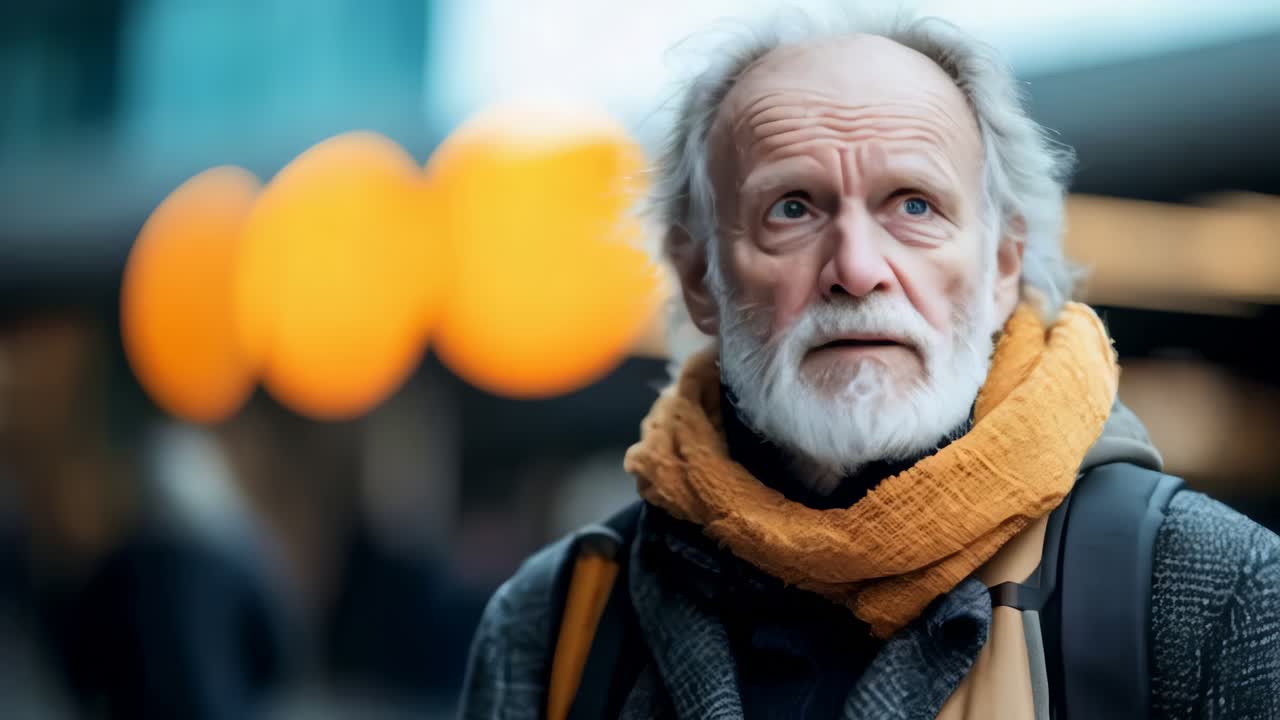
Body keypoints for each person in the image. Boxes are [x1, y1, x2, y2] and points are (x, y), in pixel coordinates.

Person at [458, 9, 1280, 719]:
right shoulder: (556, 621)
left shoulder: (1211, 594)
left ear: (1002, 266)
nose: (857, 268)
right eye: (792, 208)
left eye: (913, 206)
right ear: (699, 278)